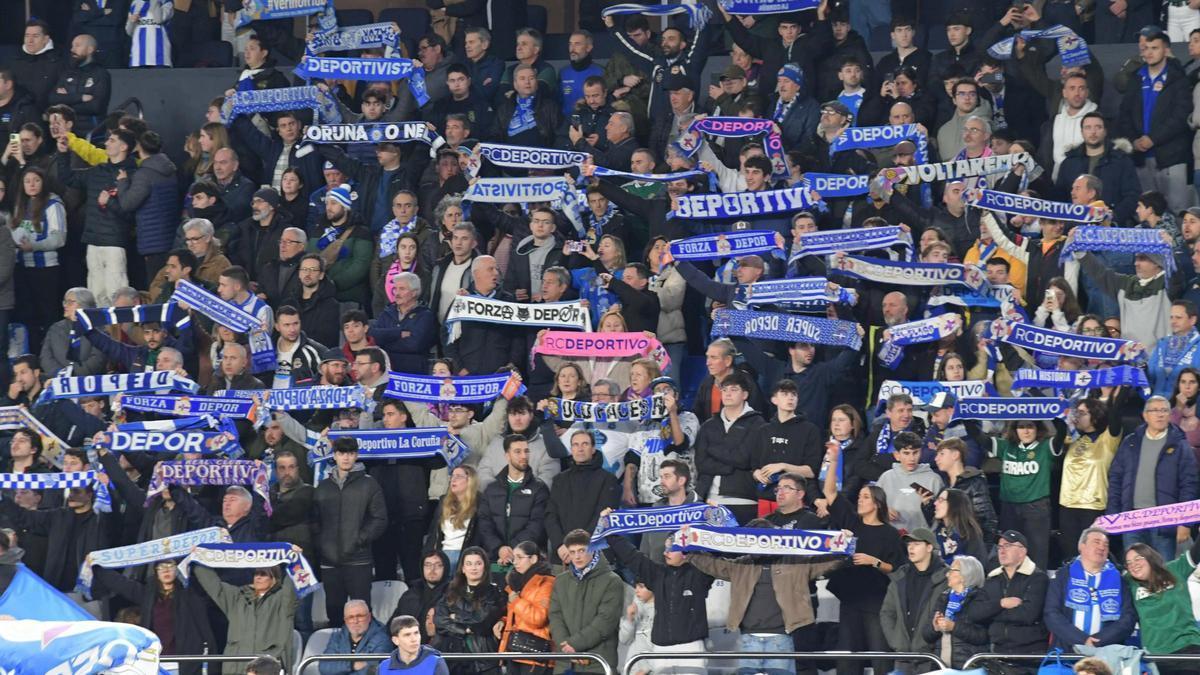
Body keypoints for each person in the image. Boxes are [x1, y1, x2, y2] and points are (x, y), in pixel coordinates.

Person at [602, 509, 713, 675]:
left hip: (691, 648)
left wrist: (716, 518)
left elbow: (721, 551)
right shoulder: (657, 573)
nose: (664, 552)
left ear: (685, 550)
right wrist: (609, 529)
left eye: (670, 548)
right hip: (661, 649)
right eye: (665, 548)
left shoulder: (700, 573)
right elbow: (631, 556)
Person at [1107, 396, 1198, 560]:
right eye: (1155, 410)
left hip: (1164, 521)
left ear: (1170, 415)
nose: (1160, 414)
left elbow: (1189, 484)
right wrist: (1113, 515)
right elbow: (1115, 479)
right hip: (1132, 520)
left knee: (1165, 574)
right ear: (1145, 415)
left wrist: (1185, 522)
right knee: (1135, 571)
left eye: (1164, 410)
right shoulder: (1130, 442)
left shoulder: (1180, 444)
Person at [89, 560, 215, 675]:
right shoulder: (148, 596)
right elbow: (121, 584)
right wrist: (96, 566)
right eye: (161, 567)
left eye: (170, 566)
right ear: (156, 572)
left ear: (177, 570)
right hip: (155, 663)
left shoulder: (191, 596)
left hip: (183, 664)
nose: (166, 570)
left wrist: (197, 558)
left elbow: (208, 582)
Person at [314, 437, 389, 627]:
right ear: (335, 455)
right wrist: (322, 544)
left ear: (356, 455)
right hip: (329, 561)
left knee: (362, 614)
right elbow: (314, 521)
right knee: (334, 613)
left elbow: (379, 519)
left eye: (350, 453)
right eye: (341, 453)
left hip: (359, 559)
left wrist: (360, 539)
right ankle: (338, 655)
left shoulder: (369, 484)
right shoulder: (323, 487)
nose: (346, 458)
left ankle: (365, 654)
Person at [192, 554, 298, 673]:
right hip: (234, 669)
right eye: (256, 574)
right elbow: (213, 585)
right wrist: (199, 558)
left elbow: (292, 586)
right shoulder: (238, 597)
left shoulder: (282, 601)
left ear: (274, 579)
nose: (258, 577)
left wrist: (295, 559)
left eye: (263, 574)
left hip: (266, 669)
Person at [1045, 528, 1137, 651]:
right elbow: (1052, 613)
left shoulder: (1119, 579)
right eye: (1096, 542)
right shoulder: (1063, 575)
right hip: (1067, 651)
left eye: (1106, 544)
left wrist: (1098, 641)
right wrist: (1081, 639)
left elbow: (1128, 619)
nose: (1102, 547)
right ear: (1081, 546)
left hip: (1107, 653)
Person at [969, 530, 1050, 670]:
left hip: (1030, 656)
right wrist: (1001, 603)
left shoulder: (1038, 578)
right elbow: (974, 613)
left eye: (1007, 546)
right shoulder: (992, 579)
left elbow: (1028, 615)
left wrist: (992, 614)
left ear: (1022, 551)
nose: (1002, 551)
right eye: (1000, 547)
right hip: (998, 654)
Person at [548, 529, 624, 675]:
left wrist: (574, 645)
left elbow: (606, 621)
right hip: (566, 664)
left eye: (582, 550)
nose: (577, 556)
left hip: (597, 664)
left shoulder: (612, 581)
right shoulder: (560, 581)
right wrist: (566, 647)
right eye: (572, 552)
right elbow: (555, 616)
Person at [545, 430, 620, 566]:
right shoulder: (559, 480)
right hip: (563, 555)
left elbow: (604, 518)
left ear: (593, 449)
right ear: (571, 449)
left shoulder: (608, 480)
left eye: (585, 444)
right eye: (575, 444)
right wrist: (560, 544)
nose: (580, 448)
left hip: (594, 555)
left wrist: (580, 548)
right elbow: (550, 515)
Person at [1123, 541, 1200, 672]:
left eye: (1138, 559)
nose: (1133, 565)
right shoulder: (1129, 582)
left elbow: (1196, 553)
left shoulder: (1175, 569)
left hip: (1188, 647)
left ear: (1150, 558)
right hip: (1156, 655)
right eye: (1129, 562)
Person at [881, 528, 949, 674]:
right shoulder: (900, 577)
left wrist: (932, 643)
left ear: (929, 547)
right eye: (909, 544)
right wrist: (896, 641)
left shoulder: (945, 578)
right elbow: (887, 612)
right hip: (903, 656)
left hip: (932, 657)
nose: (910, 548)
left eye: (916, 544)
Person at [477, 434, 550, 567]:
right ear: (507, 455)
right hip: (495, 559)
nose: (524, 456)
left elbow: (537, 525)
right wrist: (499, 549)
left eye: (526, 451)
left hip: (526, 560)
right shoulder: (491, 489)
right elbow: (484, 523)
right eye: (517, 451)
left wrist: (512, 551)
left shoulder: (539, 488)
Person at [433, 546, 505, 675]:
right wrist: (465, 629)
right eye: (469, 564)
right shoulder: (450, 591)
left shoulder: (493, 592)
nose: (474, 568)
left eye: (478, 563)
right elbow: (439, 620)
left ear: (485, 567)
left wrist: (456, 617)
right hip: (454, 657)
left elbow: (483, 622)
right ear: (463, 568)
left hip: (483, 659)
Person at [496, 541, 556, 675]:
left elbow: (539, 618)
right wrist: (503, 621)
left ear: (533, 559)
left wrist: (516, 601)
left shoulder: (546, 583)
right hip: (514, 651)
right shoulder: (515, 582)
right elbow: (516, 617)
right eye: (514, 558)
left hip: (535, 655)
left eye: (519, 557)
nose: (515, 562)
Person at [920, 555, 988, 669]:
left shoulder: (980, 598)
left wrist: (953, 627)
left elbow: (982, 636)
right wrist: (935, 628)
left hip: (968, 667)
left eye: (952, 570)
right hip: (941, 666)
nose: (947, 574)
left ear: (965, 575)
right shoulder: (943, 598)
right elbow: (926, 635)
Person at [426, 465, 484, 570]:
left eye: (458, 476)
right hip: (442, 555)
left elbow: (482, 534)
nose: (453, 479)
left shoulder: (480, 503)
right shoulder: (444, 502)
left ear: (469, 480)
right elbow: (434, 534)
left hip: (466, 556)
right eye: (452, 476)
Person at [392, 551, 451, 644]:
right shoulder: (410, 595)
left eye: (438, 565)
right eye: (428, 565)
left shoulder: (454, 596)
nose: (432, 570)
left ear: (446, 568)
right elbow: (395, 625)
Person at [319, 600, 393, 675]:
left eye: (360, 616)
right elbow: (324, 667)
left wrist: (339, 668)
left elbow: (372, 671)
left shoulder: (382, 639)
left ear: (369, 617)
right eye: (350, 617)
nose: (355, 621)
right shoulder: (337, 637)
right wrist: (352, 665)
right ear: (345, 620)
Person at [378, 615, 451, 675]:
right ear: (396, 640)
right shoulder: (383, 668)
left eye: (416, 633)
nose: (414, 639)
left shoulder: (435, 663)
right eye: (407, 635)